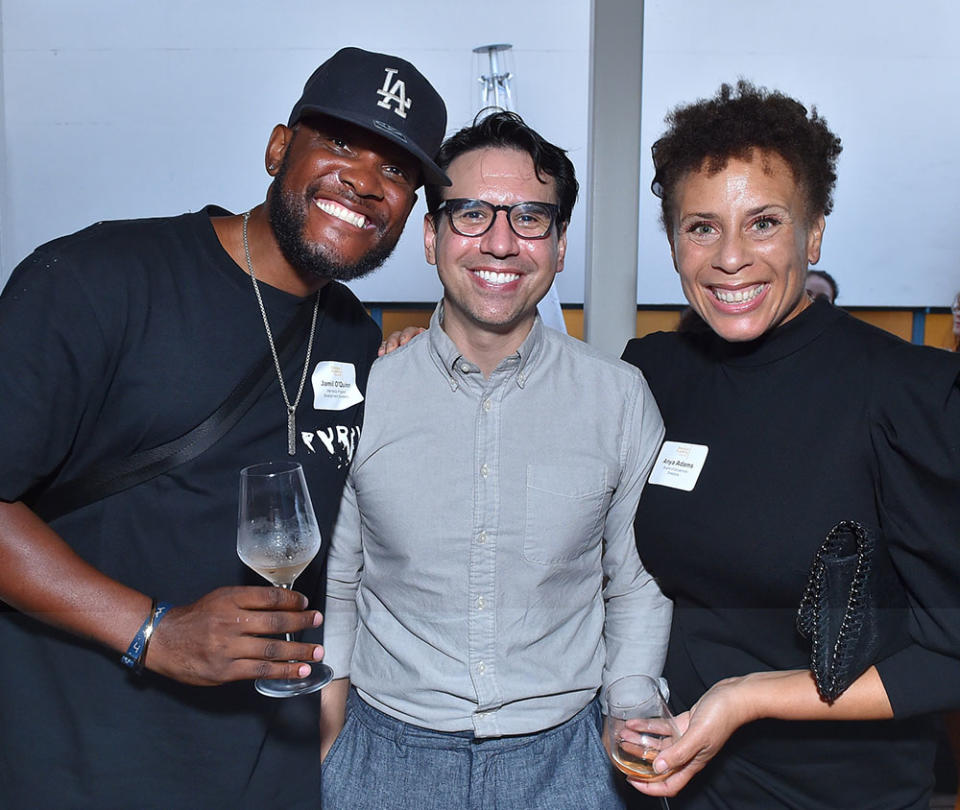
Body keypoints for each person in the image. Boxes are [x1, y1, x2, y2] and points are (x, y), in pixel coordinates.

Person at [0, 47, 448, 808]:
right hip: (87, 763)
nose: (367, 182)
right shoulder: (99, 279)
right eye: (341, 144)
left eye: (399, 172)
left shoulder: (350, 335)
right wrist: (154, 631)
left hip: (270, 769)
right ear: (279, 148)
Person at [620, 80, 960, 809]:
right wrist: (431, 347)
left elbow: (950, 653)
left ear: (813, 233)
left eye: (764, 223)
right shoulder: (655, 374)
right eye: (701, 227)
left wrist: (747, 698)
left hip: (840, 792)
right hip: (672, 781)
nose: (730, 257)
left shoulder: (909, 393)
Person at [319, 111, 672, 810]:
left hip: (570, 761)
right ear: (431, 235)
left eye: (531, 218)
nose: (501, 243)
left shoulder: (619, 397)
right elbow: (338, 579)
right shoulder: (367, 393)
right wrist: (329, 736)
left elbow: (636, 582)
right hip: (382, 757)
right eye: (472, 213)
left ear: (561, 244)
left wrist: (627, 714)